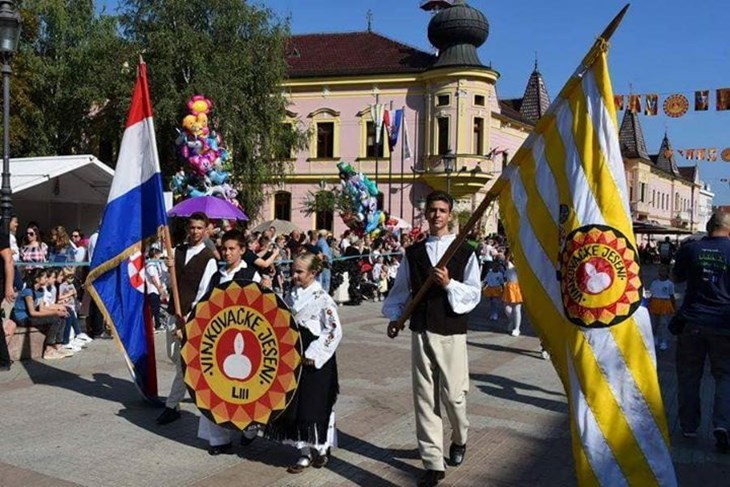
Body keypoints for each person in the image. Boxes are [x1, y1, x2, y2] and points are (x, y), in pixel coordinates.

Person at [383, 190, 481, 487]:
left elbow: (474, 292)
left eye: (442, 210)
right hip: (422, 328)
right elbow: (402, 289)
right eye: (432, 210)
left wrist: (450, 284)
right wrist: (395, 317)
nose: (437, 215)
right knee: (425, 399)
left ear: (450, 215)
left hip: (451, 331)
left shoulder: (465, 251)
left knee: (454, 396)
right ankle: (433, 462)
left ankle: (459, 437)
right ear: (426, 215)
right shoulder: (413, 253)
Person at [268, 252, 342, 473]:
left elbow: (334, 330)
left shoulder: (323, 299)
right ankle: (303, 453)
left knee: (316, 404)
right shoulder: (291, 294)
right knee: (296, 404)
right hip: (294, 357)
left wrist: (314, 353)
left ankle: (321, 447)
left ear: (313, 273)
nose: (295, 275)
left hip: (315, 359)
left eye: (300, 272)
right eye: (294, 271)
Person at [197, 229, 262, 455]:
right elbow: (204, 303)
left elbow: (259, 308)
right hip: (218, 342)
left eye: (232, 249)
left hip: (245, 341)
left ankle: (250, 429)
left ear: (242, 250)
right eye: (224, 248)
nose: (227, 253)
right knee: (216, 391)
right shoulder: (217, 275)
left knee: (244, 391)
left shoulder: (250, 275)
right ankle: (219, 440)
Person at [672, 211, 730, 452]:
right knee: (725, 376)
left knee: (688, 375)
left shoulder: (692, 248)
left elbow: (676, 278)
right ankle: (723, 425)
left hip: (692, 322)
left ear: (709, 226)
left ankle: (688, 425)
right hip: (725, 324)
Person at [157, 212, 218, 426]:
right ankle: (185, 387)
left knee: (183, 363)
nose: (195, 232)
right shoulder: (177, 251)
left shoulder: (209, 258)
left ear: (206, 229)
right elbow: (167, 282)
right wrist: (168, 268)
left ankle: (171, 405)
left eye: (200, 228)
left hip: (190, 317)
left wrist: (190, 319)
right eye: (192, 227)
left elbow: (203, 292)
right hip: (173, 312)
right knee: (173, 356)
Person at [13, 269, 69, 360]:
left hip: (31, 316)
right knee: (55, 319)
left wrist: (58, 312)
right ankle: (49, 349)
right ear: (36, 279)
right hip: (23, 318)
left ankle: (58, 345)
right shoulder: (28, 292)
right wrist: (55, 312)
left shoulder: (40, 291)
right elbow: (32, 312)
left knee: (61, 317)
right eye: (44, 277)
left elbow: (42, 309)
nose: (46, 279)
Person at [648, 265, 676, 351]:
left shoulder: (669, 284)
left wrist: (674, 307)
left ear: (667, 273)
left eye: (664, 271)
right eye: (660, 270)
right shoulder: (654, 283)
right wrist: (648, 305)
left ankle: (664, 341)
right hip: (655, 303)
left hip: (665, 304)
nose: (662, 272)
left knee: (664, 324)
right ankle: (655, 338)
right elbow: (651, 295)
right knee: (654, 323)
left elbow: (672, 296)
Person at [0, 221, 15, 371]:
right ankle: (4, 360)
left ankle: (4, 361)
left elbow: (9, 261)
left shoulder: (1, 234)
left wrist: (8, 287)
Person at [145, 247, 168, 333]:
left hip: (157, 289)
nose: (159, 257)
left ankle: (153, 325)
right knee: (154, 309)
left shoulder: (156, 264)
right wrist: (159, 288)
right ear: (155, 255)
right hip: (152, 289)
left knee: (155, 308)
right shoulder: (150, 265)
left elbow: (159, 277)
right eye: (158, 255)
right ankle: (154, 325)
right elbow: (153, 278)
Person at [502, 251, 523, 337]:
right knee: (507, 308)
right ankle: (512, 321)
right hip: (509, 287)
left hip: (517, 287)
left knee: (517, 309)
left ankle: (517, 328)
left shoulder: (521, 265)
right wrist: (512, 249)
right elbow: (506, 260)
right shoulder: (509, 264)